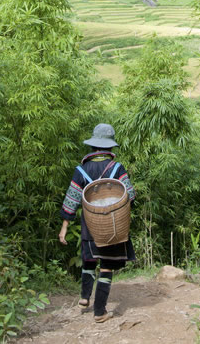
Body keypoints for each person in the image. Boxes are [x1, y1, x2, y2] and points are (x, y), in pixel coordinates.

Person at [58, 123, 137, 323]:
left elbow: (72, 199)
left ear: (93, 146)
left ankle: (85, 297)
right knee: (106, 267)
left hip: (89, 227)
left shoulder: (81, 170)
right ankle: (100, 312)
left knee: (89, 260)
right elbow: (131, 196)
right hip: (111, 227)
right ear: (110, 147)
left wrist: (64, 228)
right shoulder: (118, 168)